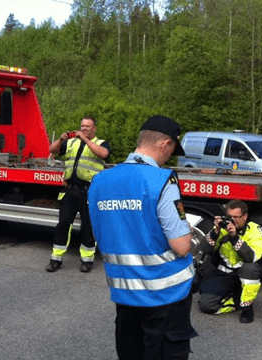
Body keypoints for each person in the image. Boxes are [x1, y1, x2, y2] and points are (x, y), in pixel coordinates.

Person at [88, 115, 197, 359]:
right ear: (165, 145)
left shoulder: (99, 181)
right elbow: (181, 246)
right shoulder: (161, 180)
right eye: (170, 152)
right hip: (166, 294)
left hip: (125, 293)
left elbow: (100, 235)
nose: (168, 158)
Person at [46, 116, 110, 273]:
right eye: (82, 126)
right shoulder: (71, 142)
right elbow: (52, 150)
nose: (84, 129)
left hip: (90, 191)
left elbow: (103, 154)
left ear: (94, 129)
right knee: (63, 224)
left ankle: (87, 260)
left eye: (87, 126)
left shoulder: (100, 143)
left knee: (88, 227)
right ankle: (56, 258)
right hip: (70, 190)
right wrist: (61, 140)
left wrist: (86, 140)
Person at [197, 200, 262, 323]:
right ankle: (236, 301)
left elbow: (250, 257)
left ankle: (247, 307)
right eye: (230, 217)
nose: (232, 221)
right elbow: (205, 249)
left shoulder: (256, 230)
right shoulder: (222, 228)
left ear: (245, 216)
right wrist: (215, 232)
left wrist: (235, 237)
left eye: (236, 217)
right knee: (206, 305)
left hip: (244, 271)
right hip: (225, 274)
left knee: (250, 268)